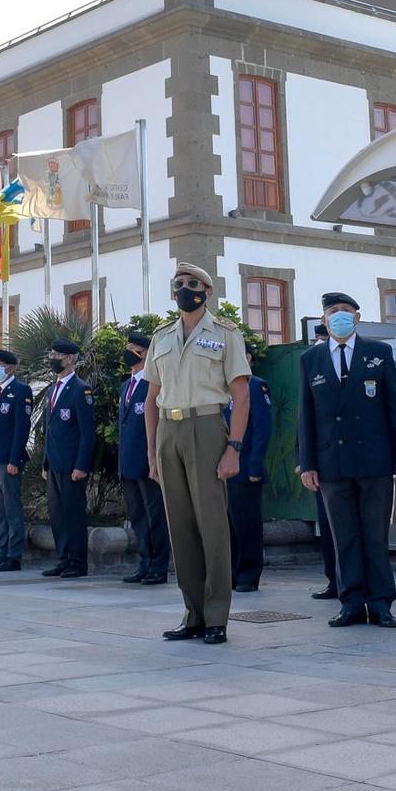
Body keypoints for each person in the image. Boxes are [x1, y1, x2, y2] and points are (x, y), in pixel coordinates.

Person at [144, 261, 253, 646]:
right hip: (169, 431)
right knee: (181, 527)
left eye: (192, 283)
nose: (184, 289)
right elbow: (151, 399)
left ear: (207, 291)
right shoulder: (161, 337)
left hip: (206, 427)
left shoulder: (224, 334)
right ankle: (192, 613)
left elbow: (241, 394)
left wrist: (234, 449)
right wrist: (152, 453)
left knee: (212, 525)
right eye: (178, 283)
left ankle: (217, 616)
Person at [298, 291, 396, 629]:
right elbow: (306, 415)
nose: (341, 316)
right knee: (343, 536)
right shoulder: (310, 359)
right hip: (333, 462)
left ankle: (380, 603)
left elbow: (395, 407)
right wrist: (308, 462)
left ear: (358, 318)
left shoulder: (378, 352)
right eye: (334, 311)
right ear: (323, 319)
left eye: (347, 311)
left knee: (375, 536)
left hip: (374, 460)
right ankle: (350, 602)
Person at [41, 340, 97, 579]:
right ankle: (63, 558)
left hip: (72, 464)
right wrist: (45, 462)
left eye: (59, 354)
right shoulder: (53, 389)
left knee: (73, 515)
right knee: (57, 514)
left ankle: (77, 562)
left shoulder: (80, 389)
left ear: (71, 358)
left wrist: (81, 465)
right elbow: (48, 429)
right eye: (52, 353)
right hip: (54, 463)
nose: (54, 358)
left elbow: (87, 432)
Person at [116, 331, 168, 585]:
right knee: (138, 516)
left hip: (149, 463)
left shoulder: (153, 382)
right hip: (129, 463)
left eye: (134, 348)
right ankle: (144, 563)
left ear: (146, 353)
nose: (128, 351)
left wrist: (154, 458)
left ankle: (159, 566)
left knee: (155, 515)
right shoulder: (126, 385)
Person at [0, 349, 33, 573]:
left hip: (7, 459)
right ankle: (1, 552)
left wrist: (14, 458)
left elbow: (21, 428)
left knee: (11, 508)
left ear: (11, 367)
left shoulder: (21, 390)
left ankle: (14, 555)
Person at [227, 372, 273, 592]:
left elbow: (262, 429)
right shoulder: (218, 384)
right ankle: (231, 574)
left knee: (247, 525)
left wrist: (255, 465)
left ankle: (248, 574)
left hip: (245, 467)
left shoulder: (255, 386)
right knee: (227, 526)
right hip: (222, 469)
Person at [305, 321, 340, 604]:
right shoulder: (311, 365)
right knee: (327, 528)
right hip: (321, 460)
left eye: (322, 338)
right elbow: (304, 420)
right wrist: (303, 459)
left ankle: (351, 581)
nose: (319, 343)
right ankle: (333, 579)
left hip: (349, 459)